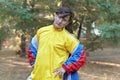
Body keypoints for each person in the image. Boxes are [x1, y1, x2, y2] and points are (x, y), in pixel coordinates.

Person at [27, 7, 86, 80]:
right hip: (37, 76)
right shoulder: (42, 31)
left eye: (64, 20)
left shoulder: (69, 38)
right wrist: (33, 63)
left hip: (55, 77)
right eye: (59, 17)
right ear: (55, 15)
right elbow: (33, 46)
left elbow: (81, 55)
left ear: (67, 23)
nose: (60, 21)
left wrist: (65, 68)